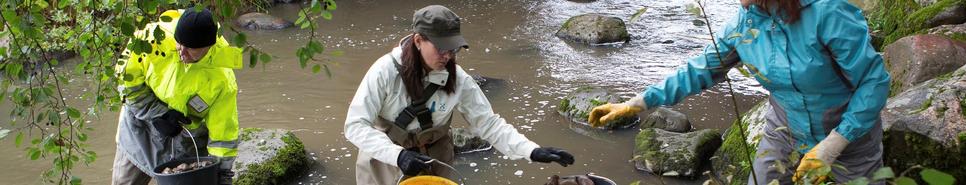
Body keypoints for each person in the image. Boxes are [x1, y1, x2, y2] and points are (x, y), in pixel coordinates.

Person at [588, 0, 890, 184]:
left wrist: (834, 144)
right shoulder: (745, 22)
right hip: (784, 131)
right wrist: (637, 103)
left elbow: (874, 82)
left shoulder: (829, 12)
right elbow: (699, 70)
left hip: (850, 137)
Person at [345, 5, 575, 184]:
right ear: (418, 41)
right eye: (441, 48)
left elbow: (488, 123)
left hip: (435, 157)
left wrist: (532, 151)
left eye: (453, 48)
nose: (448, 56)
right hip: (386, 158)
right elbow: (355, 125)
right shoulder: (384, 71)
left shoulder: (459, 78)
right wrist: (398, 156)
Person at [112, 8, 241, 185]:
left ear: (208, 47)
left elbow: (223, 136)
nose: (182, 52)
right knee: (124, 182)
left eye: (191, 49)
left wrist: (222, 174)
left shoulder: (222, 80)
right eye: (180, 44)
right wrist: (158, 113)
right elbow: (126, 82)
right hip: (141, 127)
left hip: (185, 141)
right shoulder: (151, 39)